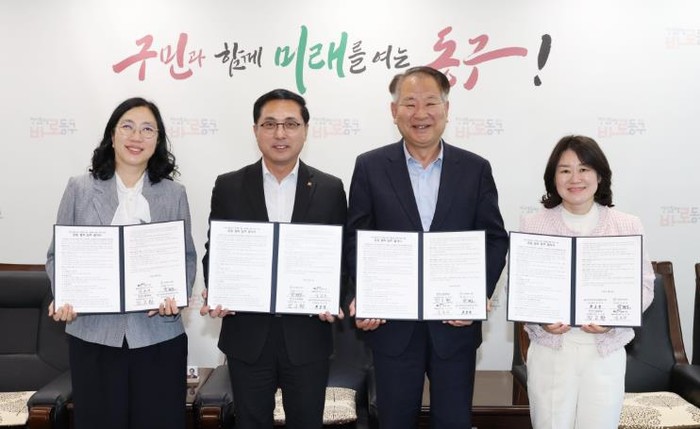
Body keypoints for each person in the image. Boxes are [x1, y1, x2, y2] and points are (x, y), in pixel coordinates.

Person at [345, 66, 509, 429]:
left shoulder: (475, 169)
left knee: (453, 421)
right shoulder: (370, 166)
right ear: (394, 111)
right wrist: (364, 293)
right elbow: (356, 237)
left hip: (454, 327)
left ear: (446, 109)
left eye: (431, 102)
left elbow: (494, 237)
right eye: (410, 103)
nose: (421, 113)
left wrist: (477, 291)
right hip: (392, 327)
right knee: (393, 421)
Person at [46, 97, 197, 429]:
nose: (136, 137)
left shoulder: (174, 194)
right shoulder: (79, 188)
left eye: (147, 129)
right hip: (94, 336)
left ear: (157, 141)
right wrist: (66, 295)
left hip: (158, 337)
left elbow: (186, 257)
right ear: (112, 135)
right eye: (127, 126)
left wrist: (176, 294)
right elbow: (58, 254)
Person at [200, 88, 347, 429]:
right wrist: (218, 289)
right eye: (270, 124)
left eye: (291, 124)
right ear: (255, 130)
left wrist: (335, 296)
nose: (280, 133)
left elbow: (340, 255)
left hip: (308, 335)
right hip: (248, 336)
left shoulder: (330, 188)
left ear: (305, 130)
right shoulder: (229, 186)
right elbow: (216, 250)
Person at [520, 135, 654, 429]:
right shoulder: (533, 225)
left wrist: (612, 318)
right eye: (565, 170)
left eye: (584, 169)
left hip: (604, 352)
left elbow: (644, 286)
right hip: (552, 351)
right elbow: (523, 287)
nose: (575, 178)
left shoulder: (626, 225)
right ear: (553, 178)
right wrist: (541, 318)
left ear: (600, 175)